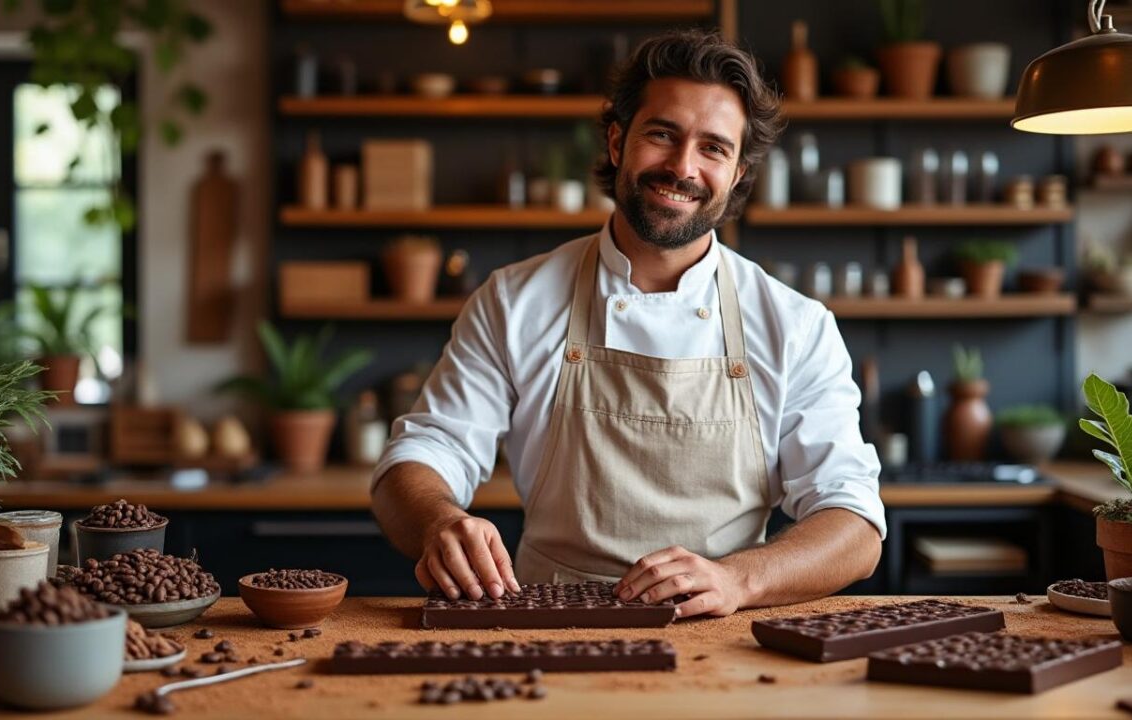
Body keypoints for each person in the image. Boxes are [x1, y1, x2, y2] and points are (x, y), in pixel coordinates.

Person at [371, 29, 885, 619]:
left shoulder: (795, 325)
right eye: (662, 134)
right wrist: (439, 520)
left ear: (739, 173)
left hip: (724, 640)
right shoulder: (514, 301)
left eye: (713, 148)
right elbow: (421, 455)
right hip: (545, 628)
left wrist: (739, 579)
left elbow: (855, 523)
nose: (682, 167)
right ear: (618, 141)